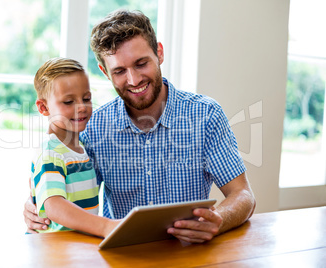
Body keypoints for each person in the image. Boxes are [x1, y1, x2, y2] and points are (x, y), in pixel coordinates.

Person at [24, 9, 256, 244]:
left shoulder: (206, 115)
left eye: (141, 63)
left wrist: (219, 220)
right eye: (119, 71)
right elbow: (65, 183)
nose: (133, 80)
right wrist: (35, 206)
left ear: (159, 53)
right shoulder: (93, 126)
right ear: (105, 72)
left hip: (190, 252)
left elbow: (243, 194)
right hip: (124, 255)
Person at [29, 57, 119, 237]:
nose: (81, 107)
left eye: (86, 98)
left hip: (75, 249)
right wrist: (106, 226)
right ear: (44, 107)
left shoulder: (81, 148)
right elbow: (54, 206)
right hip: (53, 253)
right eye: (69, 102)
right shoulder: (51, 151)